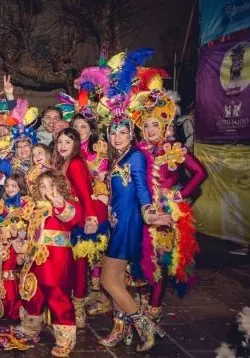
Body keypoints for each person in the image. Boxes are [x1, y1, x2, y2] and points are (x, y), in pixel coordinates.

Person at [99, 111, 172, 352]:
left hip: (128, 224)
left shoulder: (136, 157)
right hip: (118, 222)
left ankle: (145, 326)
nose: (117, 137)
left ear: (132, 134)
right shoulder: (120, 157)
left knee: (108, 280)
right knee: (118, 280)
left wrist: (150, 213)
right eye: (113, 133)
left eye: (122, 132)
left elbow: (142, 190)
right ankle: (135, 329)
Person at [133, 89, 207, 322]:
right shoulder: (137, 151)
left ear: (164, 125)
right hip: (141, 208)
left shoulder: (173, 149)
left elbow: (200, 172)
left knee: (159, 260)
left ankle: (154, 308)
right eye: (146, 126)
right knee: (139, 257)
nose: (150, 130)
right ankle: (141, 300)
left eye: (155, 125)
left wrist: (180, 194)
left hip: (165, 211)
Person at [17, 170, 82, 357]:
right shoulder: (34, 207)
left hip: (57, 258)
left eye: (51, 186)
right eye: (42, 186)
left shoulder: (66, 203)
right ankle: (31, 327)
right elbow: (28, 230)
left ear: (60, 186)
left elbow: (73, 218)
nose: (47, 190)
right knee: (32, 291)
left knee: (57, 293)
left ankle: (65, 339)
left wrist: (60, 204)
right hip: (34, 257)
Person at [53, 127, 110, 328]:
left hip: (83, 217)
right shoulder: (62, 162)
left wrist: (90, 218)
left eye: (67, 142)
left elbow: (85, 193)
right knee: (74, 264)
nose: (63, 146)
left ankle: (78, 311)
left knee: (79, 265)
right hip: (71, 215)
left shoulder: (75, 164)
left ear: (75, 144)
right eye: (60, 142)